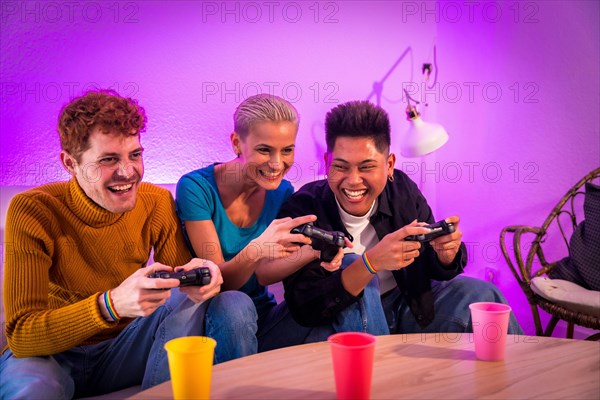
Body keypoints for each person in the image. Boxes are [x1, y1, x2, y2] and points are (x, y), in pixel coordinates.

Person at [0, 90, 257, 399]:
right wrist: (111, 305)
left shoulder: (156, 202)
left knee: (201, 298)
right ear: (70, 163)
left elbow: (180, 295)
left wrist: (202, 277)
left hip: (125, 348)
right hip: (54, 354)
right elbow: (23, 336)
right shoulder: (33, 210)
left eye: (135, 155)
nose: (128, 172)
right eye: (109, 159)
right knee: (33, 389)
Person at [258, 100, 523, 335]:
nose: (353, 181)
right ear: (327, 162)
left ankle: (518, 382)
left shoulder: (402, 191)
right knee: (352, 266)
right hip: (342, 319)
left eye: (367, 167)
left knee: (482, 295)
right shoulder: (304, 208)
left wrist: (446, 254)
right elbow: (305, 306)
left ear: (389, 165)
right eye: (340, 166)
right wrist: (371, 263)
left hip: (407, 306)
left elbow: (433, 266)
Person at [176, 94, 388, 353]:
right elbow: (220, 282)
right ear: (236, 143)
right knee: (235, 301)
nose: (277, 164)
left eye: (287, 150)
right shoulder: (196, 188)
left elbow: (268, 272)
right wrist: (258, 248)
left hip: (267, 322)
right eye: (264, 150)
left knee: (353, 268)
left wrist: (316, 251)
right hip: (220, 319)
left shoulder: (283, 192)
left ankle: (374, 370)